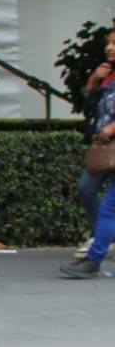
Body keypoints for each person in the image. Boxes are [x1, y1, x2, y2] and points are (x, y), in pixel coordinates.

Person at [61, 29, 115, 279]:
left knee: (109, 209)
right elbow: (90, 108)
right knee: (87, 188)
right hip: (105, 149)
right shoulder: (108, 76)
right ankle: (100, 240)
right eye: (109, 43)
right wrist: (93, 81)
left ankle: (95, 256)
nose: (110, 48)